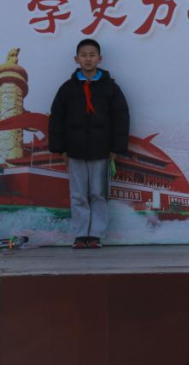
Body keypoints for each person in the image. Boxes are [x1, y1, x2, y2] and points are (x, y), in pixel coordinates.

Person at [49, 39, 130, 249]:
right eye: (83, 55)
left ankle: (95, 235)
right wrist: (60, 148)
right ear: (76, 59)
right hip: (74, 150)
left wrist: (116, 148)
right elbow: (57, 118)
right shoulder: (67, 89)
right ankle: (80, 234)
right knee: (78, 194)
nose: (88, 59)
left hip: (101, 150)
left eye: (92, 55)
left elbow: (121, 118)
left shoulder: (111, 88)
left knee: (98, 194)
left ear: (99, 59)